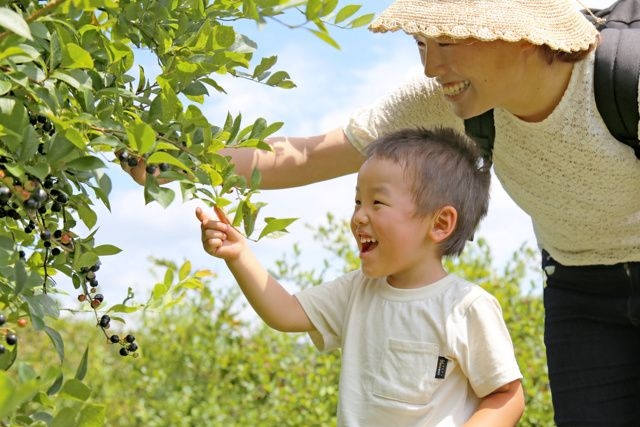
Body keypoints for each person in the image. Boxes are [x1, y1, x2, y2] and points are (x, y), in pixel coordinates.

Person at [124, 0, 640, 425]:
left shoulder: (624, 79)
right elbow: (304, 155)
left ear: (523, 37)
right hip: (581, 291)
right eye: (422, 45)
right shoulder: (444, 100)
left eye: (448, 42)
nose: (431, 66)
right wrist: (180, 160)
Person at [196, 127, 524, 426]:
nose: (358, 217)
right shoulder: (358, 291)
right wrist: (239, 255)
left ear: (439, 224)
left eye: (377, 202)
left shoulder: (465, 307)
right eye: (357, 201)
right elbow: (285, 312)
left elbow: (507, 396)